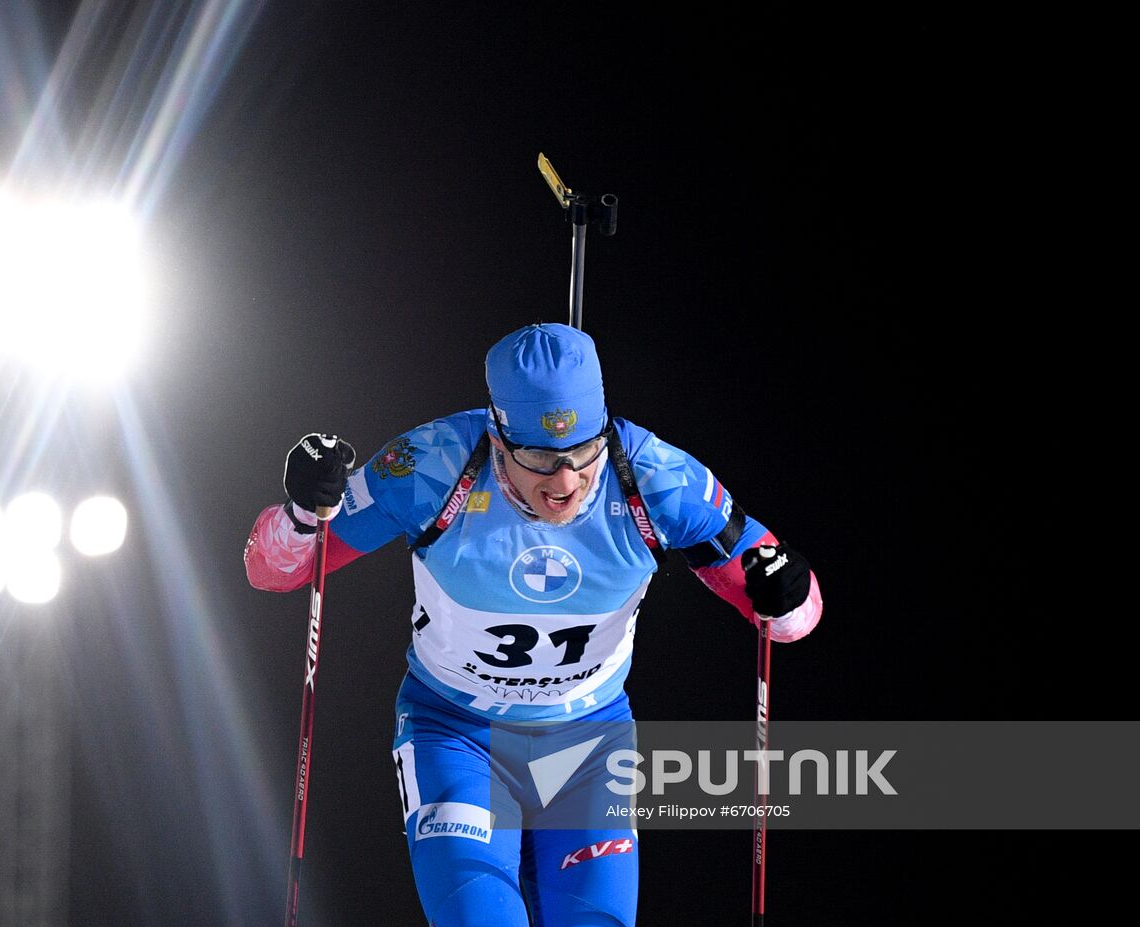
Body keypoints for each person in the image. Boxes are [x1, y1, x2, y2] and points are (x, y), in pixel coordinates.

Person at [244, 323, 822, 927]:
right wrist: (302, 511)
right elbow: (274, 571)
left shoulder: (657, 480)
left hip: (587, 742)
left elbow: (791, 621)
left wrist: (786, 597)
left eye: (583, 453)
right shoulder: (431, 465)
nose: (566, 483)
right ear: (497, 436)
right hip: (456, 733)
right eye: (541, 459)